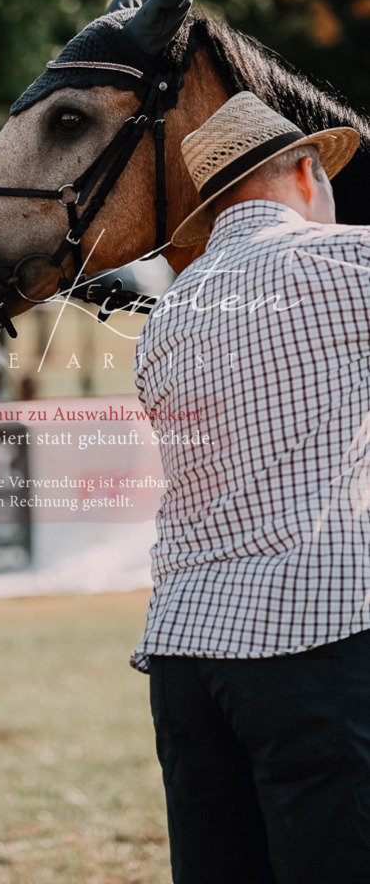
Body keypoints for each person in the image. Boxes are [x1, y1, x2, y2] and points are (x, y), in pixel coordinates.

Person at [130, 91, 369, 884]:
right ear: (306, 172)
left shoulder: (166, 317)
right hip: (313, 627)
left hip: (186, 648)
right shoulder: (346, 263)